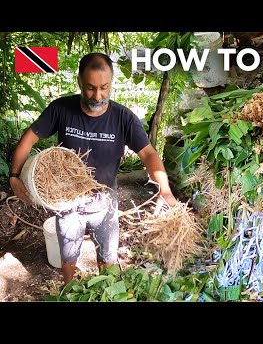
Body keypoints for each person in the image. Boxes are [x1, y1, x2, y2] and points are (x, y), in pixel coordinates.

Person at [9, 52, 178, 284]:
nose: (98, 96)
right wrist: (14, 176)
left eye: (104, 88)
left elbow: (148, 153)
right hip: (67, 202)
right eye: (90, 88)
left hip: (105, 203)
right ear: (79, 81)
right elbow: (28, 140)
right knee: (67, 258)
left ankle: (104, 292)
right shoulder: (61, 109)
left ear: (111, 83)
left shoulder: (123, 118)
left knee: (107, 260)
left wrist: (165, 190)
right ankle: (68, 291)